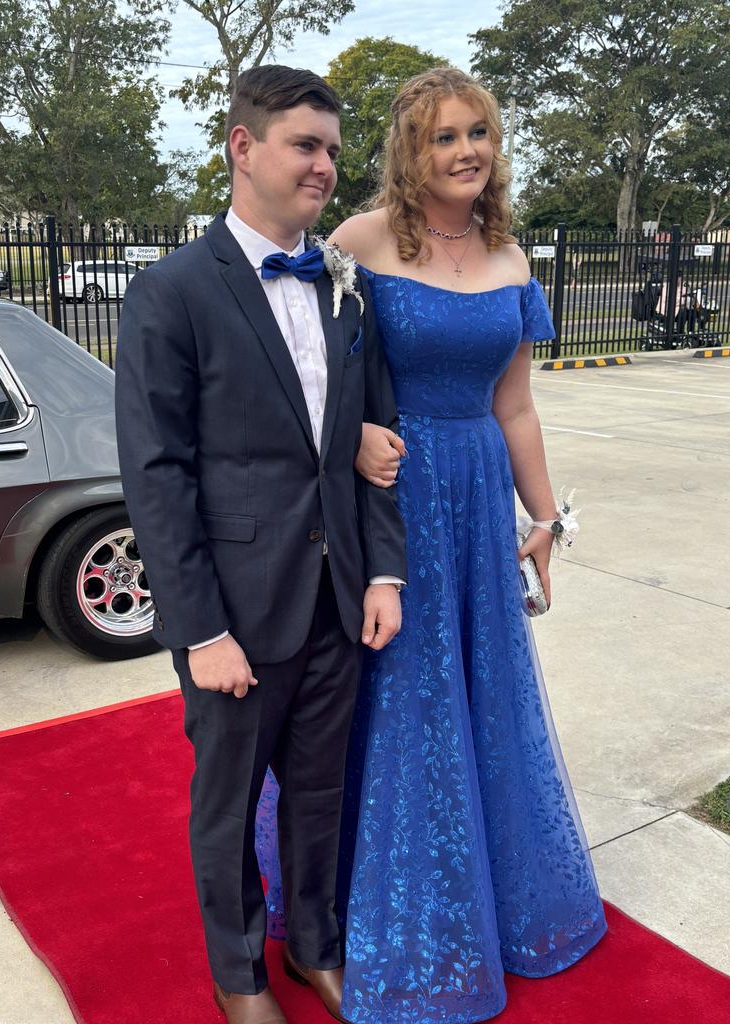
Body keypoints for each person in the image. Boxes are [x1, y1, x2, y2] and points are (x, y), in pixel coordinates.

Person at [114, 65, 407, 1024]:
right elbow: (157, 476)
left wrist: (384, 570)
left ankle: (317, 943)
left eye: (331, 147)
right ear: (243, 148)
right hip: (235, 611)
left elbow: (373, 445)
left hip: (337, 598)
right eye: (305, 145)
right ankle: (239, 973)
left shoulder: (346, 288)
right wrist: (198, 630)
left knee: (321, 795)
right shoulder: (172, 292)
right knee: (230, 803)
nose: (326, 165)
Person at [327, 67, 607, 1023]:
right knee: (402, 689)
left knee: (484, 687)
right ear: (412, 150)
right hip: (397, 495)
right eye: (445, 137)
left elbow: (515, 402)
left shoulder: (513, 254)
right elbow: (317, 381)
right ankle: (396, 915)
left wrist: (542, 518)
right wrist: (353, 436)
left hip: (482, 494)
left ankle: (500, 899)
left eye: (478, 132)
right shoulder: (358, 244)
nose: (466, 152)